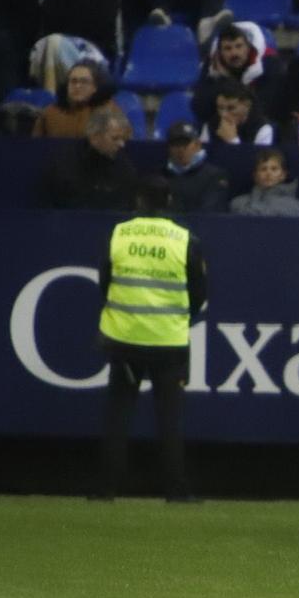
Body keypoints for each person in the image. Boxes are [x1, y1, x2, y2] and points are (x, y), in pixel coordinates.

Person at [95, 180, 208, 501]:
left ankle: (106, 488)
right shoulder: (185, 239)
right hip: (168, 341)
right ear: (170, 200)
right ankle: (176, 490)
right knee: (169, 417)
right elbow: (199, 293)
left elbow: (104, 281)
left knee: (118, 412)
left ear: (139, 199)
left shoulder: (119, 234)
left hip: (124, 336)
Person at [40, 106, 137, 209]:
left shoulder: (124, 166)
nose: (122, 144)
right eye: (115, 138)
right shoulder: (66, 163)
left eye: (123, 138)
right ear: (94, 137)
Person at [162, 122, 231, 213]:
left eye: (185, 143)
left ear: (197, 145)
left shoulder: (215, 176)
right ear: (169, 148)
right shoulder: (160, 176)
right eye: (176, 144)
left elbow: (210, 210)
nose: (181, 149)